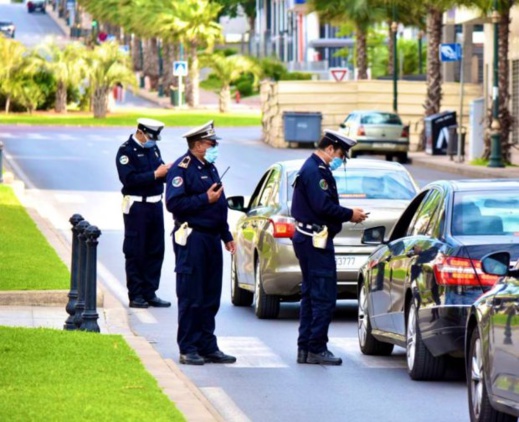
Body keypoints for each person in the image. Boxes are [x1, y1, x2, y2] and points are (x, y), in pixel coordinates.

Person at [291, 129, 368, 365]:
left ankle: (306, 348)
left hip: (311, 238)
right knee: (323, 296)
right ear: (330, 149)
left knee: (311, 295)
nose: (341, 160)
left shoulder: (315, 168)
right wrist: (350, 214)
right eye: (341, 155)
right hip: (314, 241)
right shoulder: (316, 171)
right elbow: (323, 206)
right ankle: (316, 347)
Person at [165, 120, 237, 366]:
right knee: (191, 295)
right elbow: (174, 204)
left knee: (210, 296)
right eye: (211, 143)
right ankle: (188, 347)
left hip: (211, 238)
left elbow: (219, 206)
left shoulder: (211, 167)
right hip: (192, 237)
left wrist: (226, 235)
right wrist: (203, 198)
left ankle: (207, 345)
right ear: (197, 145)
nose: (215, 146)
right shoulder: (181, 169)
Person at [116, 118, 172, 309]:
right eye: (150, 136)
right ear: (140, 132)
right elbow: (128, 179)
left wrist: (169, 171)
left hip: (155, 204)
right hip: (137, 206)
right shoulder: (126, 151)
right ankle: (136, 294)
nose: (152, 141)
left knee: (155, 250)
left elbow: (161, 172)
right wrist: (155, 175)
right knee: (136, 250)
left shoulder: (153, 149)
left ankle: (150, 292)